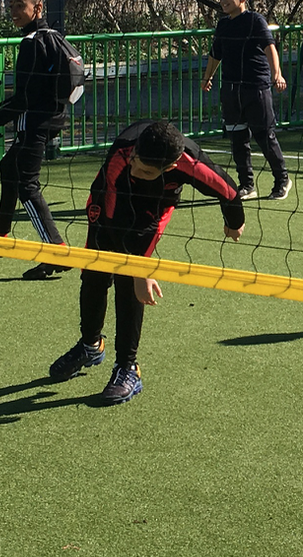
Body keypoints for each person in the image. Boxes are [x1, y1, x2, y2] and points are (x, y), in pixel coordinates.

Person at [48, 120, 246, 405]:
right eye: (137, 163)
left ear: (171, 166)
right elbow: (115, 223)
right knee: (95, 274)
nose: (137, 171)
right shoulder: (122, 157)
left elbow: (228, 190)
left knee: (128, 285)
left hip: (153, 211)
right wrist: (141, 271)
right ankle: (90, 345)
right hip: (110, 204)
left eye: (146, 171)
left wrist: (234, 221)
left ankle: (128, 368)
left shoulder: (189, 162)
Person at [0, 0, 73, 280]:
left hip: (35, 123)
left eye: (19, 5)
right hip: (52, 120)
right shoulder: (54, 37)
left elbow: (23, 99)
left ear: (37, 7)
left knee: (27, 184)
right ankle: (1, 236)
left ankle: (56, 250)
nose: (13, 11)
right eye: (10, 5)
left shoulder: (32, 43)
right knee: (9, 166)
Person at [200, 0, 292, 200]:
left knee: (264, 136)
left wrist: (276, 74)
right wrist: (207, 78)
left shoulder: (255, 21)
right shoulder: (223, 25)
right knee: (237, 138)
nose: (223, 1)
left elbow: (270, 47)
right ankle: (247, 185)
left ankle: (282, 180)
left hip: (256, 88)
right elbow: (215, 54)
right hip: (231, 90)